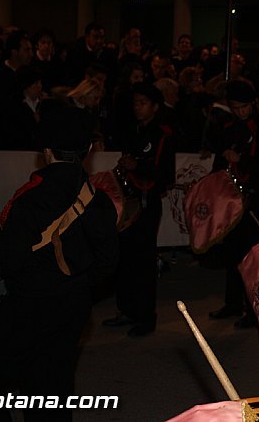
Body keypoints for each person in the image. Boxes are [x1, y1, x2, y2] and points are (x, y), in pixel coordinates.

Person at [0, 100, 119, 421]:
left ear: (46, 151)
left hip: (29, 304)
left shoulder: (31, 198)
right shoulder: (99, 199)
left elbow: (6, 261)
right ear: (89, 148)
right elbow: (108, 262)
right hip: (75, 305)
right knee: (53, 386)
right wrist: (75, 285)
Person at [102, 82, 175, 337]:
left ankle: (146, 317)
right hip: (128, 200)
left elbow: (167, 176)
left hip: (146, 202)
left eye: (142, 103)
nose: (137, 108)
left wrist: (137, 167)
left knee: (143, 260)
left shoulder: (163, 134)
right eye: (135, 103)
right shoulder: (132, 131)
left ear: (155, 107)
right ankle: (126, 310)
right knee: (124, 257)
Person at [208, 80, 259, 329]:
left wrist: (242, 161)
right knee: (231, 253)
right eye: (235, 107)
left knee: (249, 255)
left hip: (250, 197)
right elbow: (219, 156)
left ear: (252, 104)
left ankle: (251, 309)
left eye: (243, 107)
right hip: (230, 198)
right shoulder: (228, 126)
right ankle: (232, 303)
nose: (240, 112)